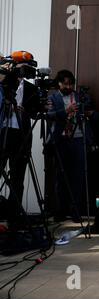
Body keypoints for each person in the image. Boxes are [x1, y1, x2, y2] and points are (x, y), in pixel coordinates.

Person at [46, 70, 98, 223]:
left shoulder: (80, 96)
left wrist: (87, 111)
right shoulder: (52, 97)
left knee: (78, 177)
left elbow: (93, 114)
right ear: (59, 83)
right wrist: (65, 111)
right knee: (60, 177)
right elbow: (49, 115)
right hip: (60, 140)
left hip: (78, 139)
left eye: (71, 84)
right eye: (65, 84)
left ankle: (75, 210)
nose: (68, 86)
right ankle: (61, 210)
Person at [0, 55, 40, 222]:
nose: (23, 71)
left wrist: (26, 111)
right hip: (3, 133)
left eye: (27, 68)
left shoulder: (32, 89)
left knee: (18, 178)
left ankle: (13, 215)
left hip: (21, 135)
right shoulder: (3, 83)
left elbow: (35, 112)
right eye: (21, 67)